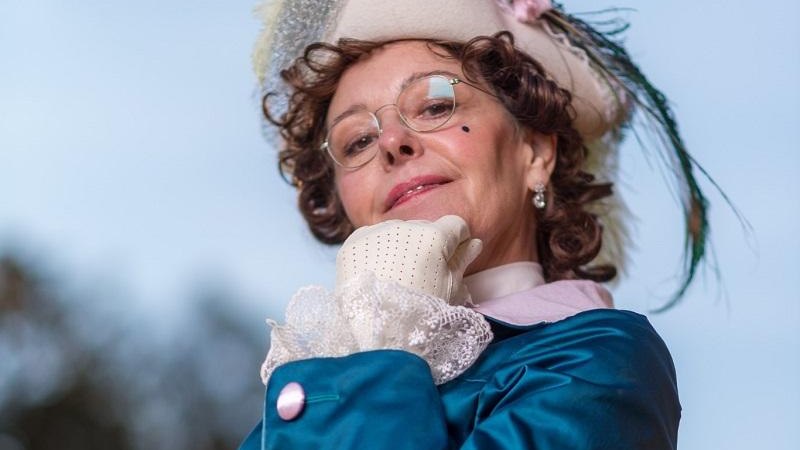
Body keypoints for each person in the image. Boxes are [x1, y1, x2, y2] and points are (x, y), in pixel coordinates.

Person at [240, 0, 713, 448]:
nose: (391, 142)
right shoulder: (309, 382)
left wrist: (386, 341)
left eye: (435, 106)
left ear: (535, 152)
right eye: (357, 141)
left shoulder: (598, 360)